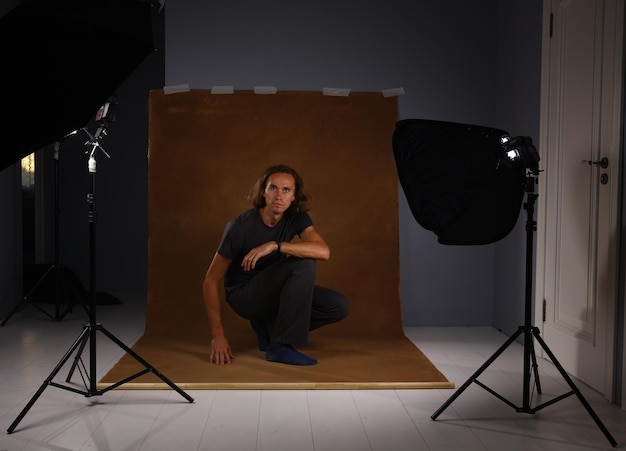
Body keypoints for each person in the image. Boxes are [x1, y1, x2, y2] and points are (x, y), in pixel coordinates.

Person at [202, 164, 349, 366]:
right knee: (304, 264)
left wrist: (275, 246)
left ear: (294, 196)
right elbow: (210, 281)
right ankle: (280, 346)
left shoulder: (296, 218)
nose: (279, 195)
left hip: (274, 292)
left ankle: (271, 328)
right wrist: (217, 335)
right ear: (264, 192)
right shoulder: (240, 227)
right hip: (244, 296)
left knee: (338, 306)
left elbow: (323, 251)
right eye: (273, 188)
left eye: (286, 190)